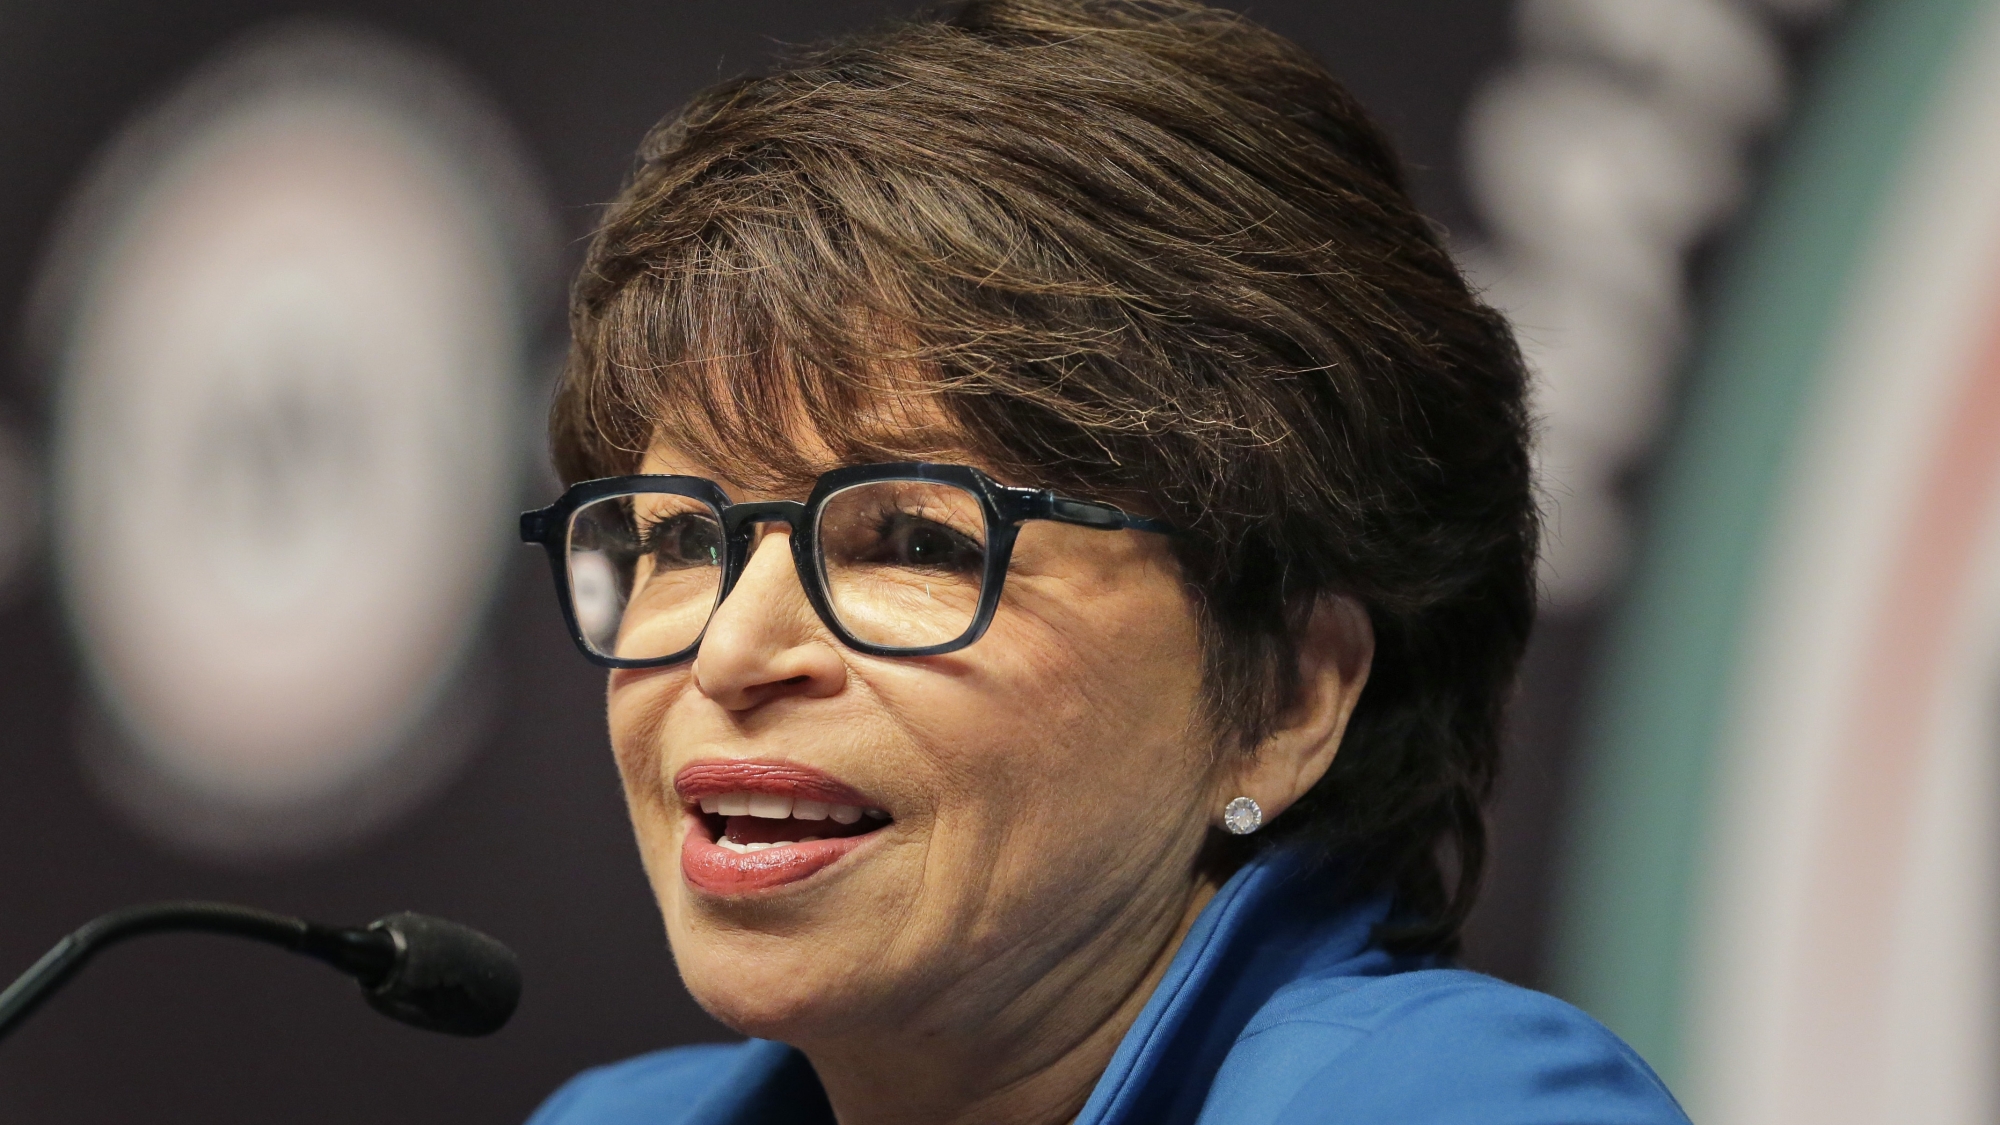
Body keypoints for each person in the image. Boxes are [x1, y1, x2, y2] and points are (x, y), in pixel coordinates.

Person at [519, 1, 1688, 1121]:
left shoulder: (1438, 1104)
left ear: (1285, 696)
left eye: (916, 540)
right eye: (679, 538)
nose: (729, 651)